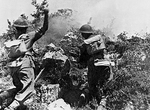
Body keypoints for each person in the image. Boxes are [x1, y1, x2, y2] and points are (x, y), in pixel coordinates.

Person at [0, 9, 49, 109]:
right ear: (26, 28)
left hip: (13, 67)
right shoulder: (30, 36)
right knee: (28, 88)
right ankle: (12, 106)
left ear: (16, 28)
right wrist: (46, 14)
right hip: (25, 64)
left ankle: (3, 96)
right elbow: (44, 28)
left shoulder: (13, 39)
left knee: (19, 87)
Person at [78, 24, 111, 105]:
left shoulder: (85, 44)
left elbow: (83, 59)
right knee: (104, 84)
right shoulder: (99, 39)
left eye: (82, 33)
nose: (82, 35)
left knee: (92, 84)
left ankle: (89, 100)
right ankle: (102, 102)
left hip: (94, 64)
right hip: (105, 63)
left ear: (85, 33)